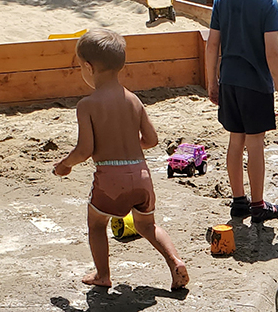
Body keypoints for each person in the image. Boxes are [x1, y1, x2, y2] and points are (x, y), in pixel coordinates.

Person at [54, 29, 189, 290]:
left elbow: (84, 149)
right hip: (141, 175)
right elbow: (151, 140)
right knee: (147, 225)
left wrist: (64, 165)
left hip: (110, 178)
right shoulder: (134, 100)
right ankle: (174, 261)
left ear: (88, 67)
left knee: (96, 223)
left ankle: (102, 275)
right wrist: (128, 148)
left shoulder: (87, 105)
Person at [205, 0, 278, 222]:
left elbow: (212, 45)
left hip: (228, 82)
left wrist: (211, 81)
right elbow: (273, 53)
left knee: (234, 140)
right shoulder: (267, 3)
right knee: (255, 144)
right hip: (256, 85)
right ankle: (257, 204)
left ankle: (238, 201)